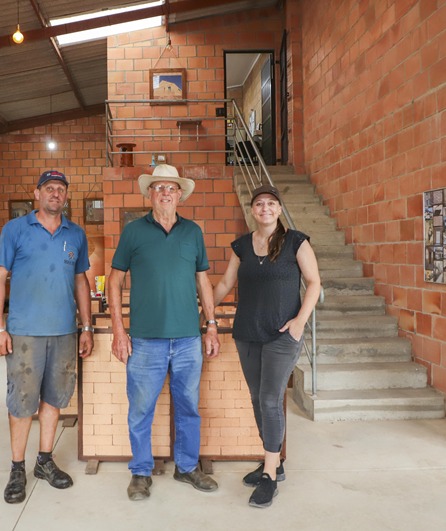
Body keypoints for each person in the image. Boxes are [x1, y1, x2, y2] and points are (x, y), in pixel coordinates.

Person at [108, 164, 221, 502]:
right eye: (159, 188)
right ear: (150, 194)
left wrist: (211, 325)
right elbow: (114, 281)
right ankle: (140, 473)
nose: (165, 193)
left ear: (180, 195)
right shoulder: (133, 232)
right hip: (144, 340)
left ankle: (187, 467)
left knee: (189, 407)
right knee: (140, 409)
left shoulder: (193, 233)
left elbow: (203, 280)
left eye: (171, 188)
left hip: (188, 339)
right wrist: (118, 330)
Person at [209, 184, 321, 508]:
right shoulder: (243, 245)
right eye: (260, 204)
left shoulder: (295, 242)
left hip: (282, 335)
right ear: (254, 210)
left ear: (279, 209)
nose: (266, 208)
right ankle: (274, 461)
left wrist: (300, 321)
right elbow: (226, 283)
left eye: (271, 203)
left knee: (271, 401)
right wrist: (204, 308)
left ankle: (269, 476)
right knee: (258, 399)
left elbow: (314, 283)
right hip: (247, 333)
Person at [0, 170, 95, 504]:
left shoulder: (75, 234)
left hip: (64, 331)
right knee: (22, 403)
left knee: (54, 399)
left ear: (66, 196)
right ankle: (17, 468)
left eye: (61, 189)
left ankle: (44, 461)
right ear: (37, 193)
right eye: (49, 188)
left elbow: (81, 283)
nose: (55, 194)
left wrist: (87, 326)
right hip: (24, 333)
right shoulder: (15, 229)